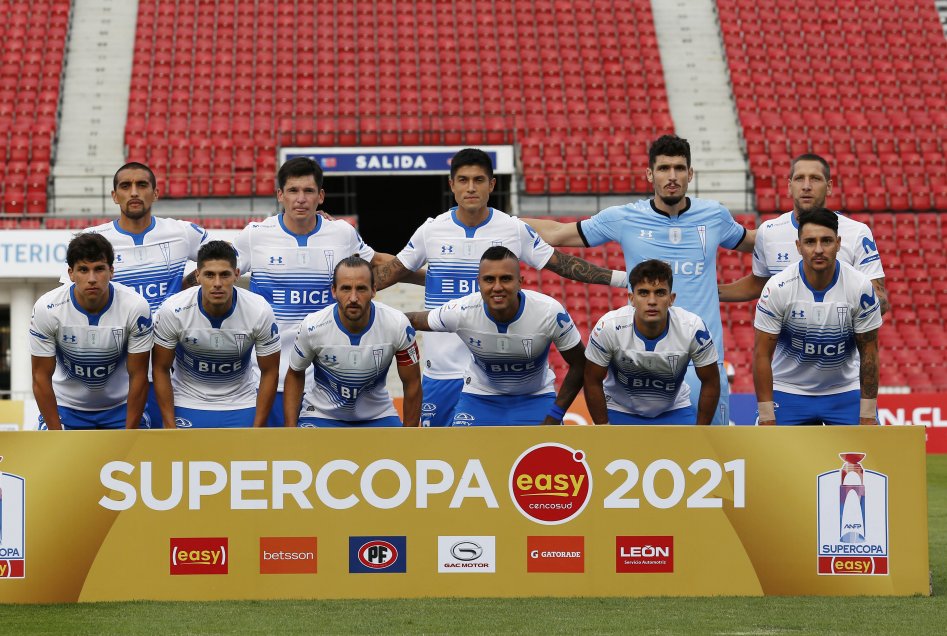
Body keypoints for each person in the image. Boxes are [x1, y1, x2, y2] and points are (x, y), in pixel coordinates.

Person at [373, 148, 626, 427]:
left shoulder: (512, 228)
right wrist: (341, 281)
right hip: (443, 372)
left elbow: (561, 263)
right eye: (464, 180)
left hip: (495, 379)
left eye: (479, 180)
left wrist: (621, 279)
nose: (471, 188)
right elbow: (391, 273)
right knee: (446, 460)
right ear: (451, 184)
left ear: (492, 185)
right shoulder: (431, 230)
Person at [525, 135, 755, 425]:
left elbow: (755, 242)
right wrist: (496, 219)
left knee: (707, 456)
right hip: (641, 367)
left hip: (702, 360)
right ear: (649, 174)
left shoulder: (714, 216)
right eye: (663, 168)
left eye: (679, 168)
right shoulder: (625, 218)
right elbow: (557, 233)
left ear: (690, 173)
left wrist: (806, 225)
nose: (672, 176)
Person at [234, 157, 420, 427]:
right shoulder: (255, 235)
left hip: (324, 382)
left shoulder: (341, 233)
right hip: (270, 377)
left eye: (308, 191)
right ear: (280, 195)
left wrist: (430, 276)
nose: (301, 199)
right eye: (293, 191)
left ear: (320, 196)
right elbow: (219, 272)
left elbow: (378, 262)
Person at [67, 162, 209, 428]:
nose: (134, 192)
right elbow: (71, 294)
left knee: (168, 453)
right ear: (114, 195)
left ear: (155, 193)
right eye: (125, 186)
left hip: (174, 370)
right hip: (120, 376)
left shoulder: (181, 232)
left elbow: (219, 261)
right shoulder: (94, 239)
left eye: (142, 185)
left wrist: (188, 285)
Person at [405, 247, 586, 426]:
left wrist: (554, 416)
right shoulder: (461, 311)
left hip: (535, 397)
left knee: (547, 454)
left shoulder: (549, 312)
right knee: (462, 454)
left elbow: (580, 364)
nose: (497, 287)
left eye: (506, 279)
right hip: (479, 397)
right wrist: (379, 318)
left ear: (520, 282)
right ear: (479, 283)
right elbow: (413, 320)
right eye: (489, 279)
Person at [753, 208, 881, 426]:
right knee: (770, 458)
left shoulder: (860, 288)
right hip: (788, 389)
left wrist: (868, 413)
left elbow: (869, 351)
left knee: (866, 457)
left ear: (839, 243)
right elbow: (762, 354)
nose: (819, 249)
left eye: (827, 241)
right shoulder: (777, 288)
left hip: (844, 391)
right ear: (798, 246)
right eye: (810, 242)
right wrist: (766, 415)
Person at [719, 153, 889, 314]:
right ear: (789, 186)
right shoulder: (769, 231)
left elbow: (879, 297)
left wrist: (839, 317)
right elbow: (759, 284)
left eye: (815, 179)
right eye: (799, 178)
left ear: (829, 187)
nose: (806, 186)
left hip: (841, 342)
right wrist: (707, 292)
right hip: (787, 344)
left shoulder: (857, 232)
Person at [151, 241, 281, 428]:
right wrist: (170, 427)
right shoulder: (173, 310)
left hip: (241, 402)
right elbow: (160, 369)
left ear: (237, 275)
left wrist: (257, 428)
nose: (217, 284)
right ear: (198, 276)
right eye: (209, 275)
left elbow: (269, 371)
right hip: (187, 400)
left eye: (225, 275)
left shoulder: (259, 310)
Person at [30, 234, 153, 430]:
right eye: (83, 270)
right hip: (66, 408)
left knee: (134, 457)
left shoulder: (135, 306)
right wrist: (56, 434)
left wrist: (130, 435)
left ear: (111, 271)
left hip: (120, 408)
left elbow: (138, 375)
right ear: (71, 273)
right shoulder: (47, 308)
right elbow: (40, 376)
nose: (92, 279)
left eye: (99, 269)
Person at [284, 256, 422, 427]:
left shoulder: (398, 324)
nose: (354, 297)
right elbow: (295, 374)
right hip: (321, 415)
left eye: (361, 289)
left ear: (374, 290)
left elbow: (413, 382)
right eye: (346, 289)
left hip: (378, 416)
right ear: (334, 291)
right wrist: (290, 432)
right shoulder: (313, 326)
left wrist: (409, 440)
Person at [585, 259, 720, 425]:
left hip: (673, 409)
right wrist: (603, 427)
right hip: (618, 408)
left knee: (691, 450)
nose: (652, 301)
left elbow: (711, 381)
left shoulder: (693, 328)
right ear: (631, 298)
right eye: (643, 293)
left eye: (660, 293)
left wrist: (701, 431)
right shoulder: (609, 326)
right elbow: (591, 380)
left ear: (671, 298)